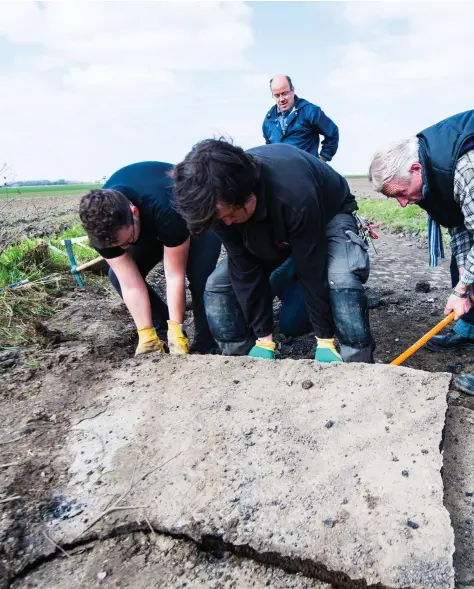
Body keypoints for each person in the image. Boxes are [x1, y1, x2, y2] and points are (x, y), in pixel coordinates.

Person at [172, 139, 374, 363]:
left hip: (329, 213)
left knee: (341, 278)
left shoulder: (293, 193)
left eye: (229, 216)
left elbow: (311, 266)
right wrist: (264, 339)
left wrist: (324, 339)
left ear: (248, 197)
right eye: (221, 219)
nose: (226, 223)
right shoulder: (218, 204)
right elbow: (244, 268)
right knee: (218, 286)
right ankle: (238, 361)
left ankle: (357, 364)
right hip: (277, 223)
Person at [369, 110, 474, 394]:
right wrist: (466, 274)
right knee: (462, 268)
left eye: (401, 193)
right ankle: (470, 329)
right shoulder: (428, 175)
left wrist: (463, 290)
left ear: (415, 169)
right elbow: (459, 222)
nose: (402, 203)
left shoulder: (467, 166)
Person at [79, 161, 221, 356]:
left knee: (200, 279)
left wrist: (176, 327)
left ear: (134, 213)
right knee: (116, 276)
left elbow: (173, 276)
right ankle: (160, 335)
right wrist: (145, 332)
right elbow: (130, 285)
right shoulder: (102, 233)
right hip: (146, 229)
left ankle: (206, 343)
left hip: (190, 217)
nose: (125, 249)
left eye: (127, 241)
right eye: (119, 246)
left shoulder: (165, 206)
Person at [262, 74, 339, 162]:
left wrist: (322, 161)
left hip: (307, 172)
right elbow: (269, 149)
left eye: (284, 93)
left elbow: (332, 132)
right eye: (277, 95)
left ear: (292, 90)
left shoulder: (310, 112)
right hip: (280, 172)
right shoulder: (268, 120)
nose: (281, 99)